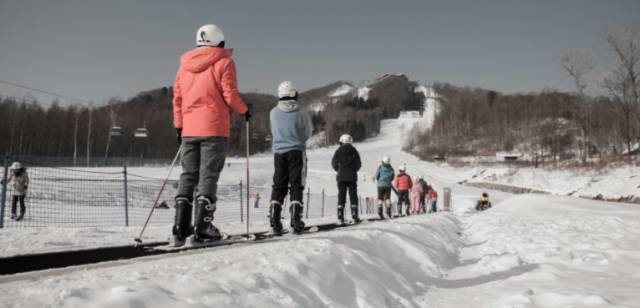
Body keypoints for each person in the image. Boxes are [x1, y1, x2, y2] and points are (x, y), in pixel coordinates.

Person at [171, 24, 250, 246]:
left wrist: (179, 126)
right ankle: (203, 228)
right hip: (214, 129)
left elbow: (177, 98)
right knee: (208, 176)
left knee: (188, 174)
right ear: (219, 42)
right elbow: (230, 95)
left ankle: (180, 227)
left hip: (189, 129)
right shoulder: (224, 62)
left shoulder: (184, 66)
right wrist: (245, 111)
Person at [269, 80, 313, 234]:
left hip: (279, 153)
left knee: (279, 184)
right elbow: (308, 132)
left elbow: (273, 132)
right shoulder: (302, 112)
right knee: (296, 184)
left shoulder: (273, 112)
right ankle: (295, 218)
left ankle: (274, 217)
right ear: (294, 94)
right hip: (296, 151)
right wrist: (298, 139)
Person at [331, 134, 362, 224]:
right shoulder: (354, 151)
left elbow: (333, 163)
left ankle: (340, 216)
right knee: (353, 195)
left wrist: (339, 170)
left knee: (341, 195)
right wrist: (353, 170)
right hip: (352, 177)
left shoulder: (338, 151)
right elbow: (359, 164)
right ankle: (354, 215)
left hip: (341, 177)